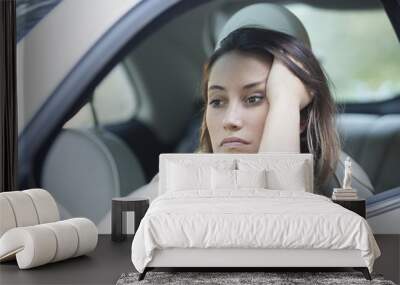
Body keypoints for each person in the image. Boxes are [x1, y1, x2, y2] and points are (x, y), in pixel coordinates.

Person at [126, 3, 375, 202]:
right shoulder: (184, 175)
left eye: (254, 98)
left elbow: (272, 217)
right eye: (217, 101)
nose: (230, 121)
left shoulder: (343, 181)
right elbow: (109, 236)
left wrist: (285, 100)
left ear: (300, 115)